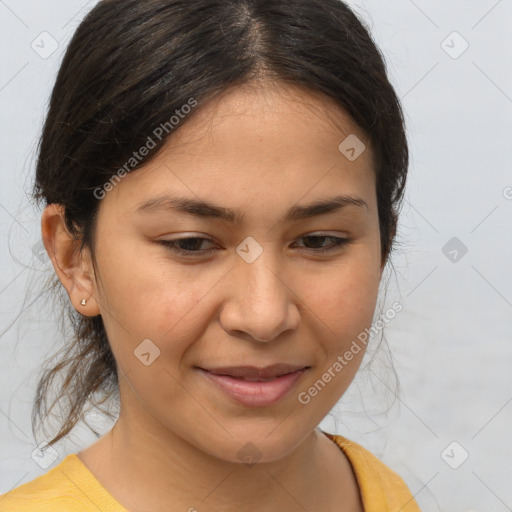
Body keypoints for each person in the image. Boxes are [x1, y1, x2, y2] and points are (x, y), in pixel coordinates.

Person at [0, 0, 420, 510]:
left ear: (383, 246)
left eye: (319, 241)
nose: (264, 316)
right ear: (75, 260)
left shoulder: (385, 495)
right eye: (191, 244)